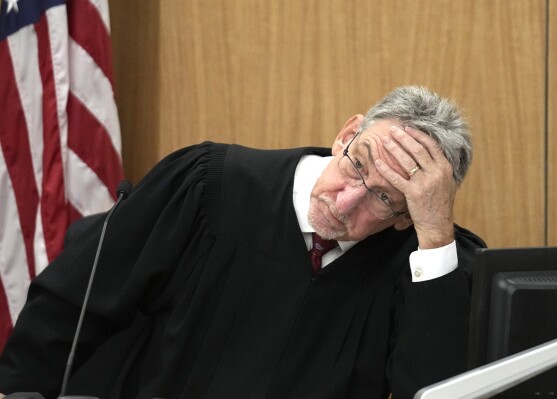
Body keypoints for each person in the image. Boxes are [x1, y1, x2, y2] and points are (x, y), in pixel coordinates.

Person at [0, 86, 485, 399]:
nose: (346, 201)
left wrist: (436, 234)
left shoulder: (426, 263)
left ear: (407, 216)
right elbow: (70, 303)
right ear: (345, 135)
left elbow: (434, 391)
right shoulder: (206, 187)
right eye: (357, 165)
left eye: (382, 198)